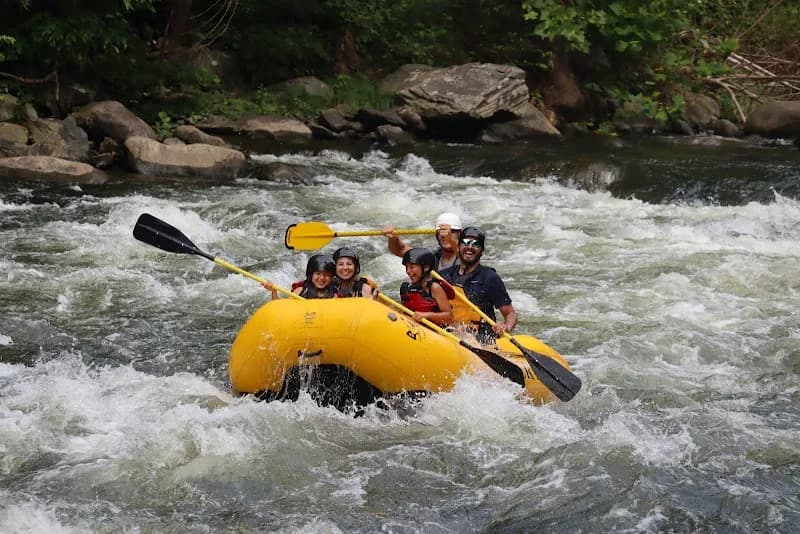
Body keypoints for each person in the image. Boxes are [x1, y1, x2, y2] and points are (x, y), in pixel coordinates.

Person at [438, 226, 517, 343]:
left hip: (481, 341)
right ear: (458, 247)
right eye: (465, 243)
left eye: (475, 244)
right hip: (449, 336)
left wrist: (506, 326)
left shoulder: (489, 278)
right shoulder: (443, 276)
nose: (469, 247)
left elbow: (510, 313)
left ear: (482, 251)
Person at [384, 212, 462, 271]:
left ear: (460, 234)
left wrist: (451, 241)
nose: (445, 235)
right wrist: (393, 238)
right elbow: (400, 250)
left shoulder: (467, 254)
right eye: (441, 231)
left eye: (452, 231)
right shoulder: (433, 255)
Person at [400, 248, 454, 326]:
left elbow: (450, 318)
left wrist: (425, 315)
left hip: (437, 332)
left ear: (426, 267)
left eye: (412, 267)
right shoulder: (408, 288)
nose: (408, 271)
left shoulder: (434, 287)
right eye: (406, 267)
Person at [263, 253, 336, 299]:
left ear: (331, 278)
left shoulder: (334, 296)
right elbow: (280, 311)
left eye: (327, 275)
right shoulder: (300, 291)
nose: (322, 278)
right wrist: (274, 292)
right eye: (318, 274)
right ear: (311, 274)